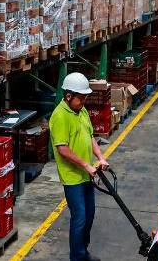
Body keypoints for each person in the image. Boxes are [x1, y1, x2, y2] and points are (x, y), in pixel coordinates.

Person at [49, 72, 109, 261]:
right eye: (80, 98)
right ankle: (77, 257)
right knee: (80, 217)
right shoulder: (59, 116)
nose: (83, 101)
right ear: (68, 96)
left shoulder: (81, 110)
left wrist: (100, 157)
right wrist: (85, 165)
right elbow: (62, 149)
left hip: (86, 173)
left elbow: (90, 136)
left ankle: (83, 252)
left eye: (85, 97)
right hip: (73, 176)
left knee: (90, 214)